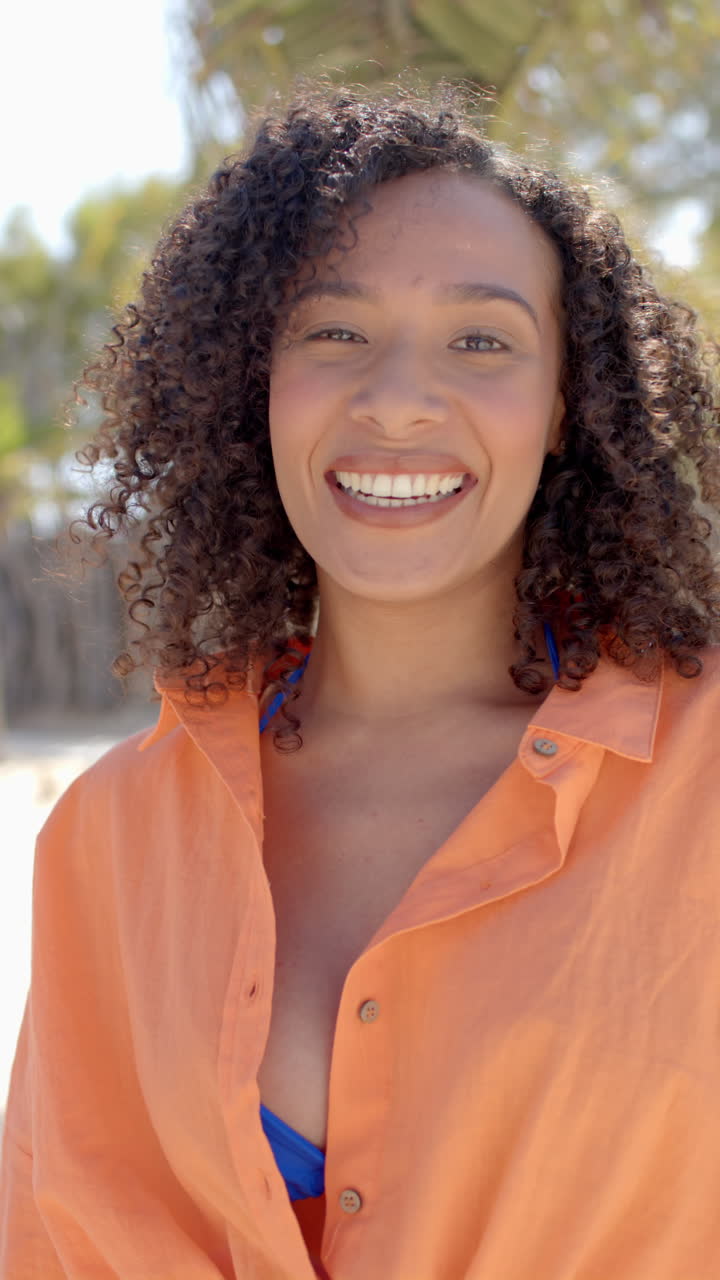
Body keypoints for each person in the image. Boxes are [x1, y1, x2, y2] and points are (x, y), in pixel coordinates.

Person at [1, 81, 719, 1280]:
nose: (396, 399)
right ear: (255, 386)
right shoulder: (110, 833)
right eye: (334, 332)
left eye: (482, 339)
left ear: (564, 409)